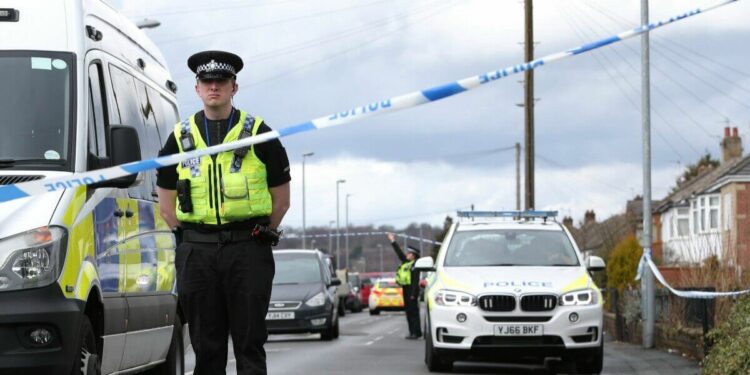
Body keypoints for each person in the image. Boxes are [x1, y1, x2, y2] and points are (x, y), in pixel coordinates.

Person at [156, 50, 291, 375]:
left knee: (250, 344)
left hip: (247, 250)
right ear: (197, 88)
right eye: (207, 81)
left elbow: (281, 200)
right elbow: (166, 204)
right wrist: (190, 239)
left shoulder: (260, 133)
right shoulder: (179, 138)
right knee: (206, 347)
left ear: (234, 87)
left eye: (221, 81)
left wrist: (257, 235)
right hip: (197, 253)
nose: (214, 87)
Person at [386, 232, 423, 339]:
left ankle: (416, 332)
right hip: (405, 289)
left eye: (409, 253)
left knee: (413, 313)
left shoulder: (416, 265)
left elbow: (416, 281)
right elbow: (399, 253)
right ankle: (412, 332)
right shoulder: (406, 263)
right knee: (408, 312)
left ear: (414, 255)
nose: (407, 255)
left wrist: (413, 294)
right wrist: (392, 240)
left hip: (412, 291)